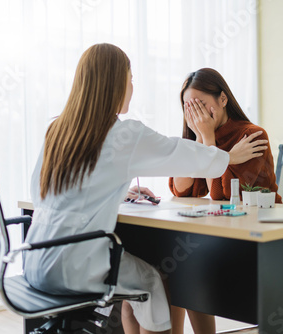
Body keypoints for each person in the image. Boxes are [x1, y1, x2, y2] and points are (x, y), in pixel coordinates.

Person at [23, 44, 267, 334]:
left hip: (34, 259)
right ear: (115, 83)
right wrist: (229, 157)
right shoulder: (124, 134)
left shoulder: (57, 129)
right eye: (130, 78)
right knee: (153, 283)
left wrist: (112, 190)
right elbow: (182, 155)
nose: (132, 86)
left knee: (144, 278)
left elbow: (42, 190)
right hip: (74, 265)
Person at [169, 68, 282, 334]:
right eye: (189, 107)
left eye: (201, 104)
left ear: (222, 99)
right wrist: (199, 140)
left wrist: (208, 141)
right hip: (219, 233)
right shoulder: (199, 137)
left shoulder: (252, 135)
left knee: (185, 268)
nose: (197, 113)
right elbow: (181, 190)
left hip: (256, 236)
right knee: (174, 271)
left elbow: (221, 195)